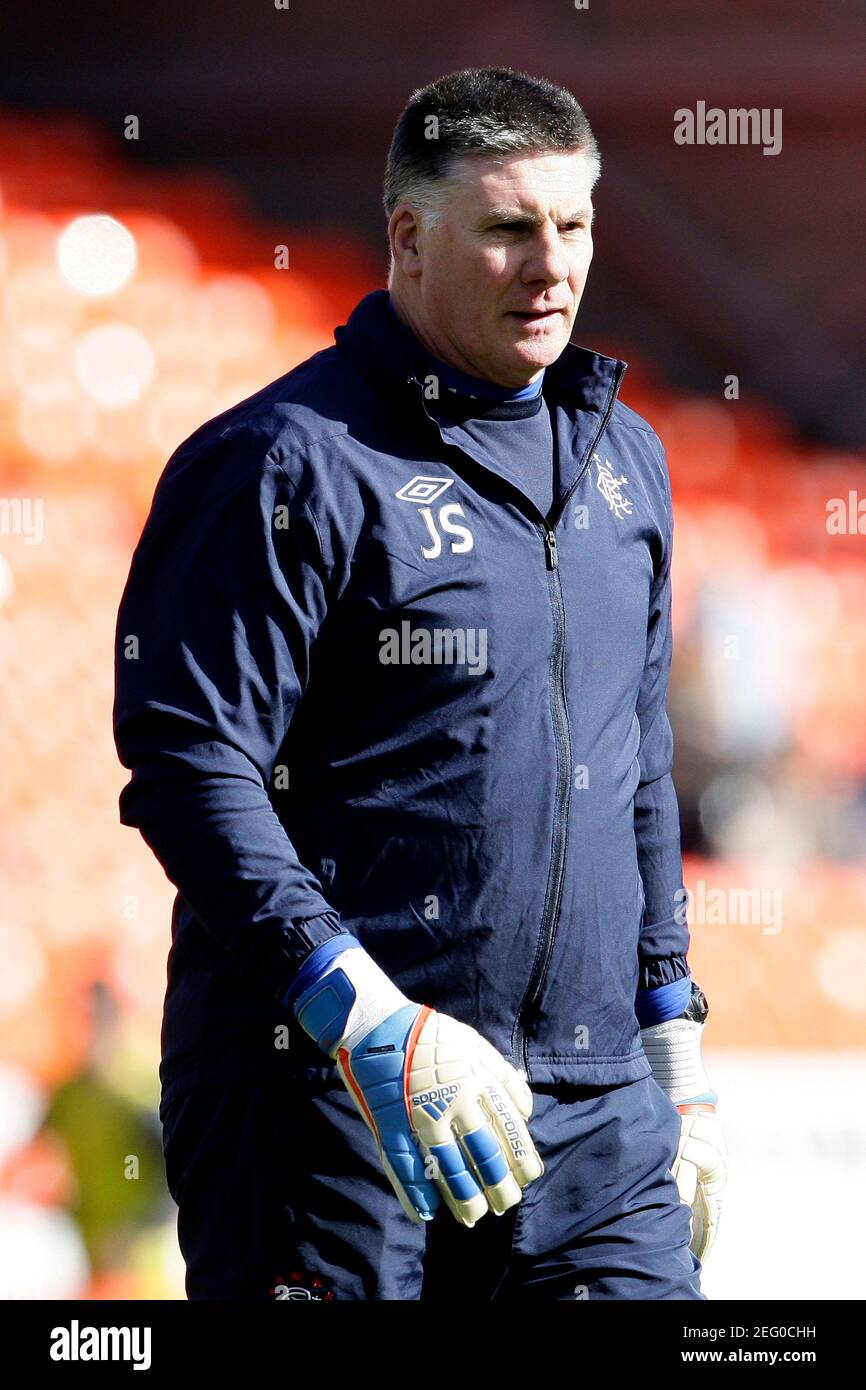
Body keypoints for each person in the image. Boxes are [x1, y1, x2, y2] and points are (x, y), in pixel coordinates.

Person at [113, 65, 726, 1301]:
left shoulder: (629, 461)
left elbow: (637, 763)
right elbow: (189, 763)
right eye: (506, 229)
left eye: (573, 226)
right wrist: (365, 1016)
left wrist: (671, 1040)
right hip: (325, 1098)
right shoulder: (282, 462)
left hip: (590, 1115)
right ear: (407, 235)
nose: (548, 267)